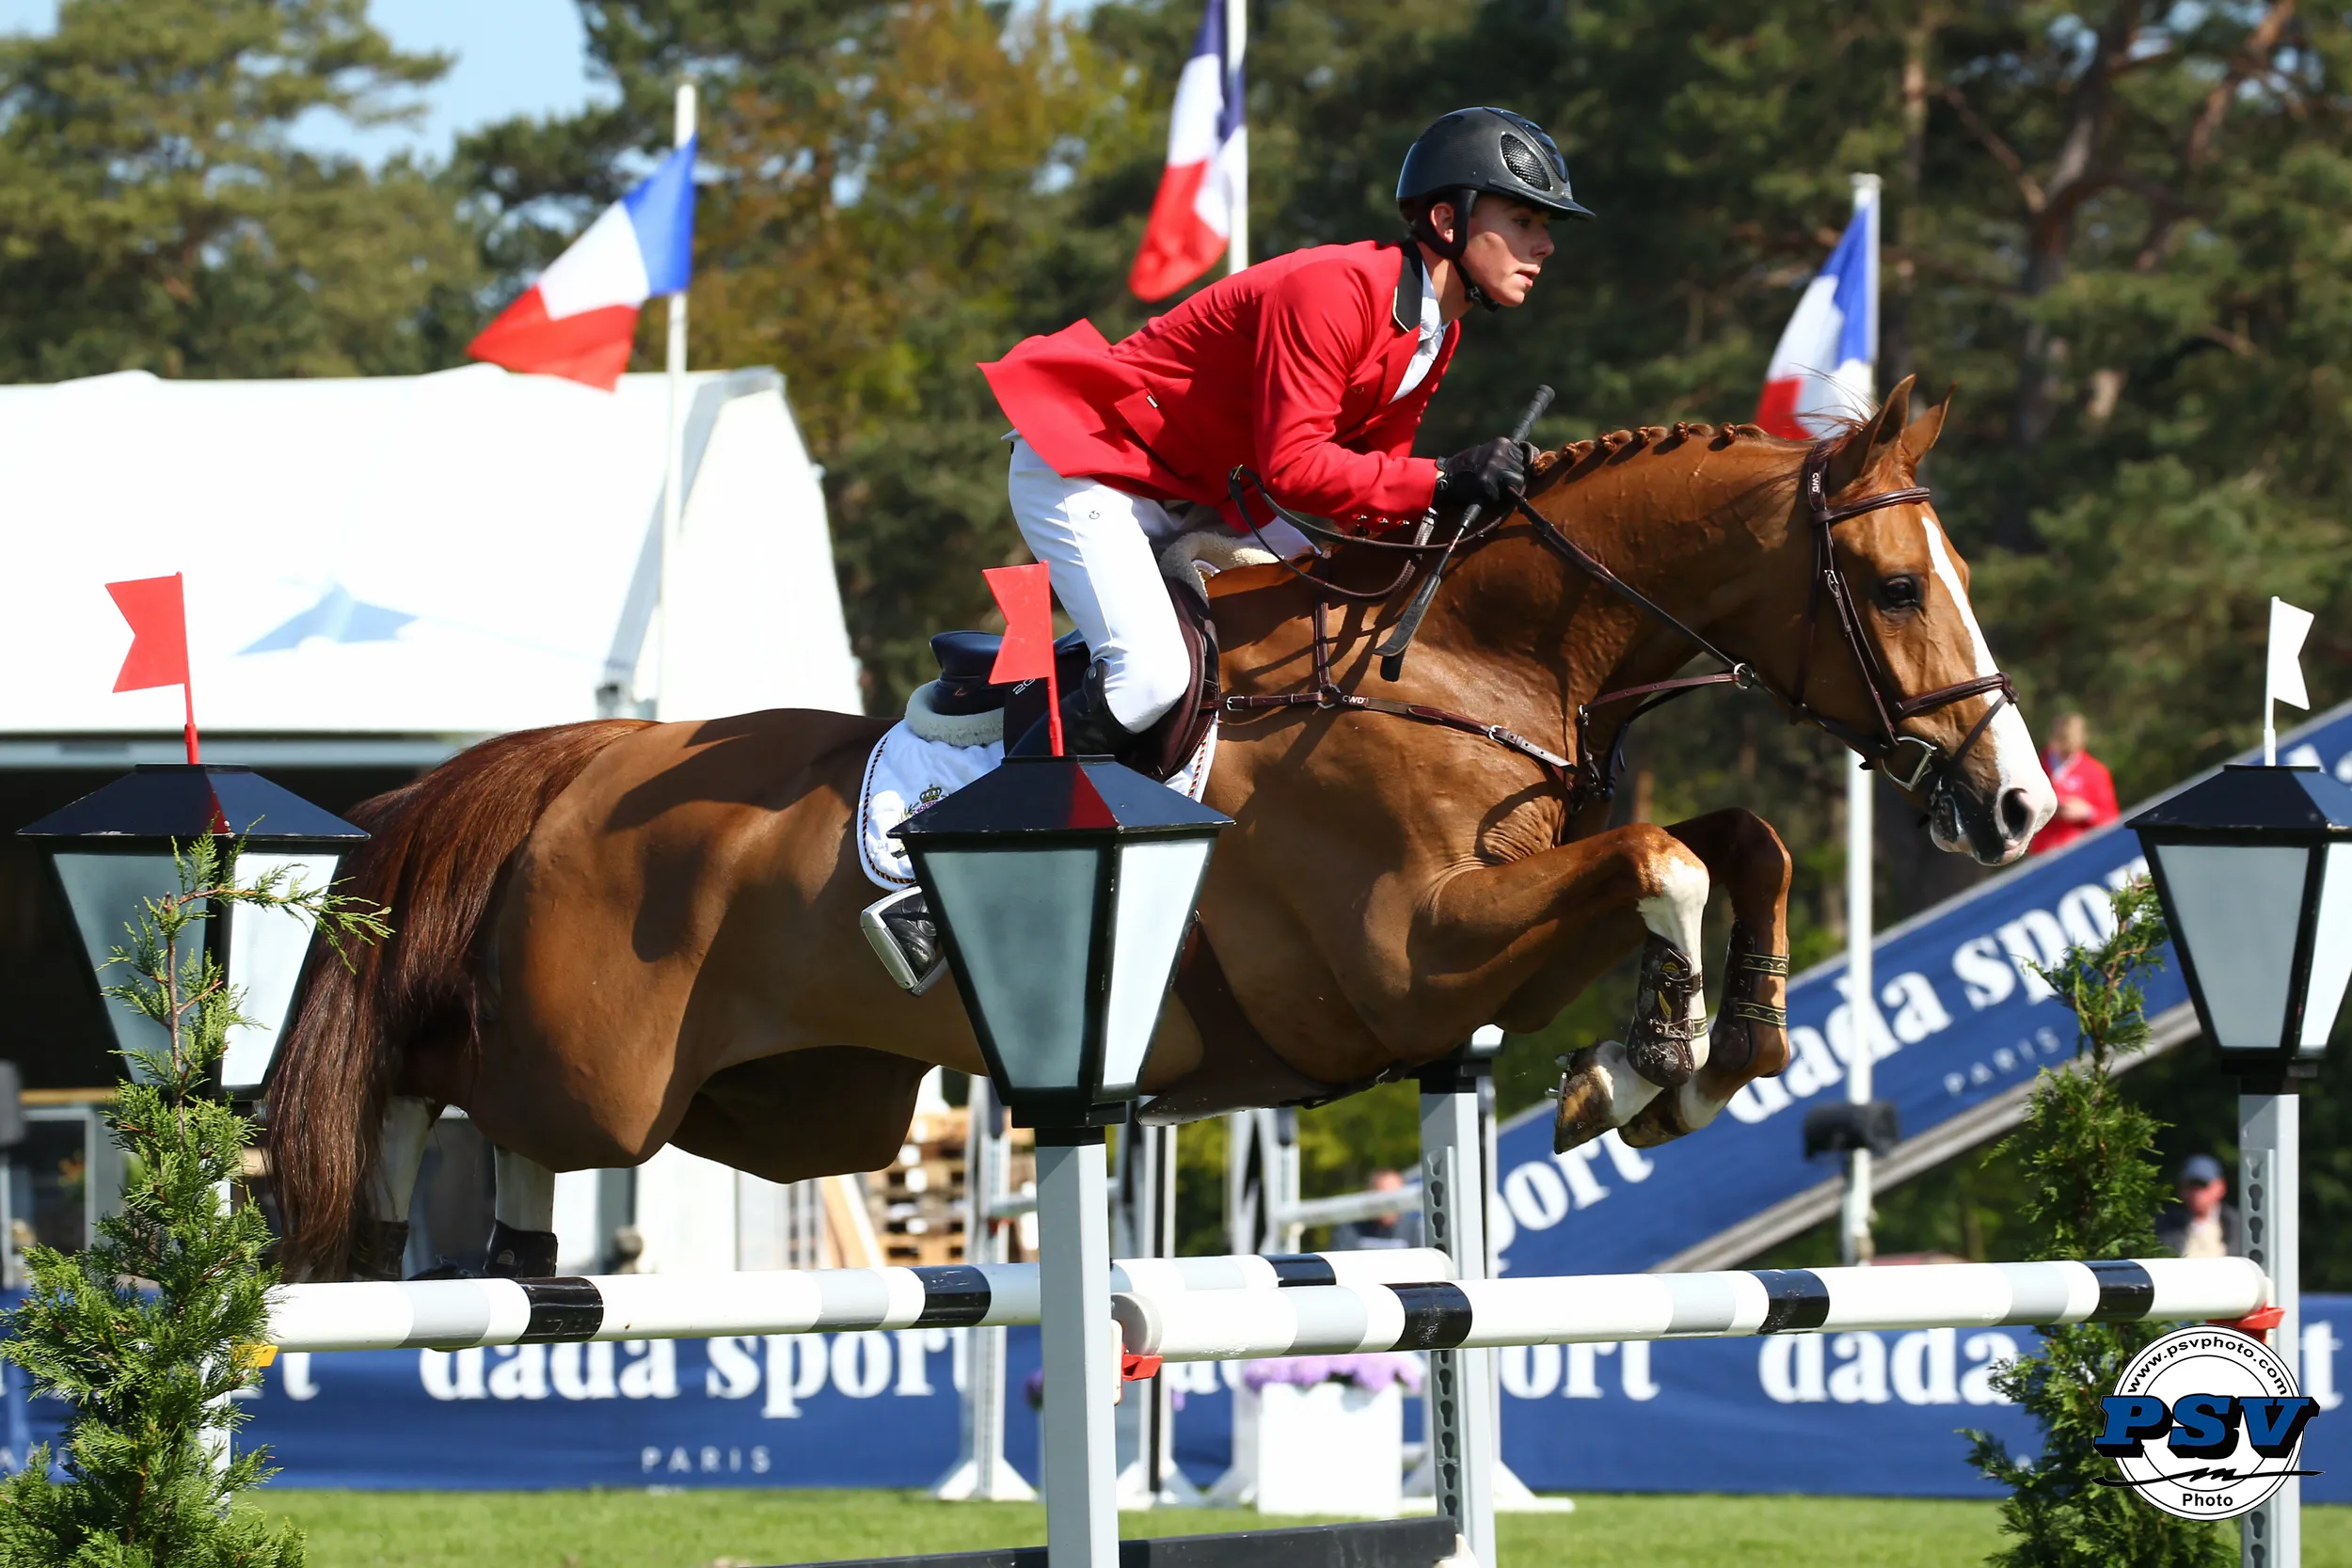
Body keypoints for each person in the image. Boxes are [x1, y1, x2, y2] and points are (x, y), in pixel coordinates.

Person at [865, 107, 1592, 990]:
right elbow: (1299, 469)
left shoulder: (1434, 331)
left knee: (1337, 614)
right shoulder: (1337, 290)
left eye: (1542, 227)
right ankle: (949, 870)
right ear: (1450, 220)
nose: (1542, 246)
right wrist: (1444, 479)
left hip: (1204, 495)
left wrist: (1462, 515)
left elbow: (1373, 480)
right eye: (1523, 221)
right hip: (1092, 469)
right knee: (1150, 679)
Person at [2028, 712, 2120, 855]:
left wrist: (2087, 812)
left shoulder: (2096, 772)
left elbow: (2112, 820)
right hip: (2043, 852)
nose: (2066, 750)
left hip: (2082, 851)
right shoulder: (2035, 766)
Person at [2155, 1153, 2243, 1259]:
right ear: (2181, 1188)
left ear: (2220, 1187)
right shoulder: (2164, 1226)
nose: (2196, 1193)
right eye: (2190, 1185)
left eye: (2203, 1185)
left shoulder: (2239, 1226)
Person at [1335, 1167, 1424, 1250]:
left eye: (1397, 1197)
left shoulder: (1410, 1228)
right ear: (1370, 1195)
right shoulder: (1351, 1228)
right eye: (1385, 1197)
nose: (1392, 1204)